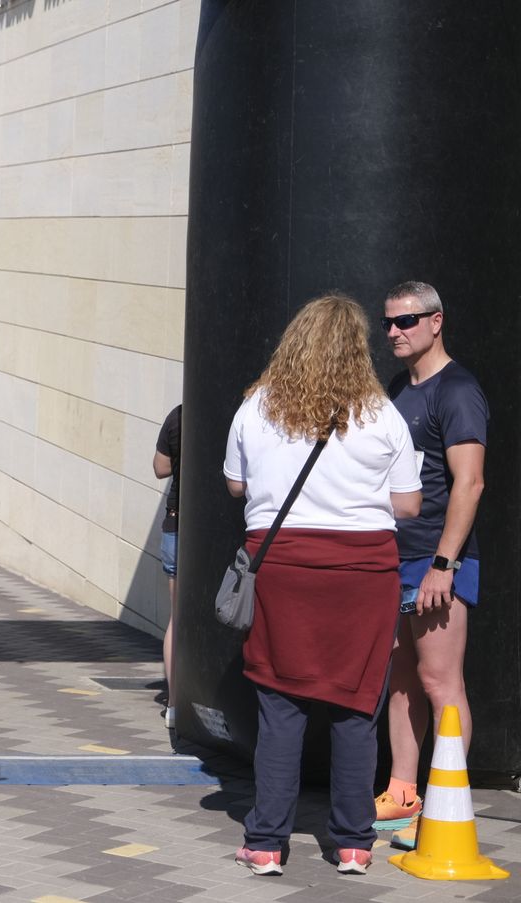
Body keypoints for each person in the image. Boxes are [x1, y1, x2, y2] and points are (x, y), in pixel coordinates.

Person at [223, 294, 420, 877]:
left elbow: (236, 487)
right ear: (356, 351)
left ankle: (264, 844)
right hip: (364, 577)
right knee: (357, 710)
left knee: (280, 707)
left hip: (281, 569)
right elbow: (408, 504)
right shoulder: (384, 415)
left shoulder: (255, 407)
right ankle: (354, 844)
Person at [374, 281, 488, 850]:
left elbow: (469, 482)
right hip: (394, 558)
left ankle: (446, 804)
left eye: (407, 321)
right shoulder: (400, 389)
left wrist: (443, 565)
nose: (394, 331)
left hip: (435, 559)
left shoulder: (458, 391)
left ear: (436, 322)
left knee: (440, 681)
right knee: (399, 683)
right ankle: (402, 800)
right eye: (389, 322)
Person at [152, 403, 181, 729]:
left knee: (178, 618)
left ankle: (173, 703)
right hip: (211, 530)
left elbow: (160, 468)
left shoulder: (178, 416)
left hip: (176, 526)